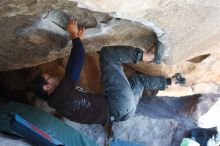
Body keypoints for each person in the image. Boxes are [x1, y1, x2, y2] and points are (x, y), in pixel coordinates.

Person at [32, 20, 185, 125]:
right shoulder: (61, 95)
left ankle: (172, 81)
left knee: (138, 81)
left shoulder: (59, 103)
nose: (55, 76)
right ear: (46, 87)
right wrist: (74, 36)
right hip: (116, 103)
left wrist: (78, 40)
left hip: (123, 114)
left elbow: (72, 67)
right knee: (107, 54)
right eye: (50, 77)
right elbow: (77, 60)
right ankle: (151, 57)